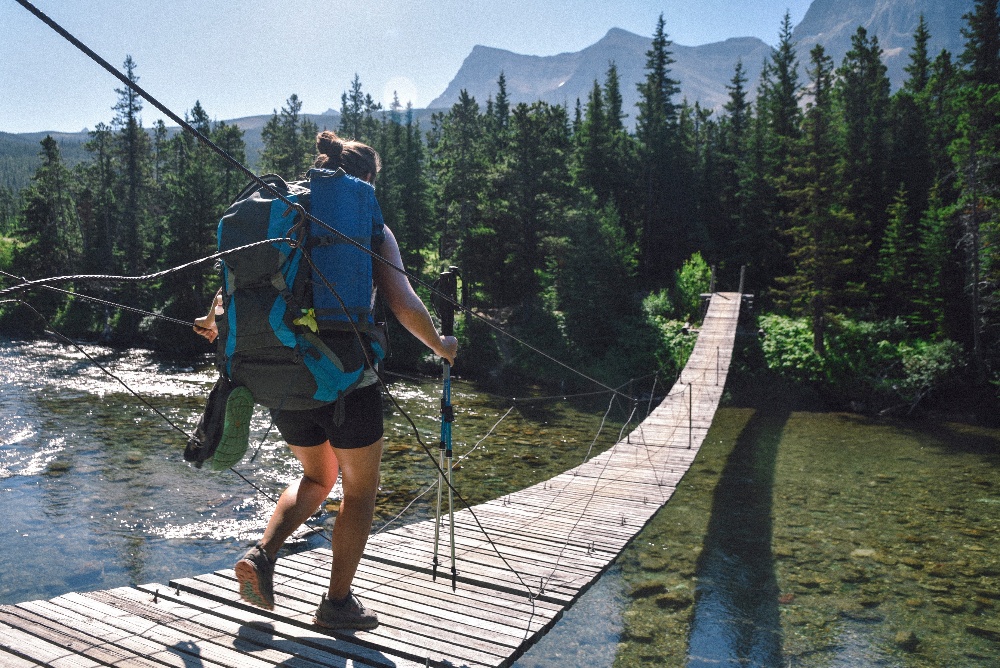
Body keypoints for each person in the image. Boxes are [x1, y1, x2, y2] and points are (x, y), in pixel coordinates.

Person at [194, 130, 458, 630]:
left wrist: (211, 322)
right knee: (358, 492)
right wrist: (442, 347)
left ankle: (263, 554)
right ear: (368, 181)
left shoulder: (283, 219)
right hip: (346, 380)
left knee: (318, 476)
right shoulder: (366, 227)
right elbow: (402, 303)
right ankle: (337, 606)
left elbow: (227, 300)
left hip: (280, 377)